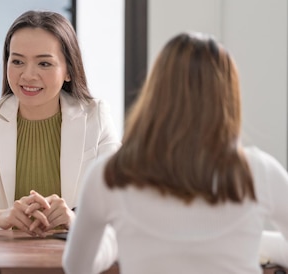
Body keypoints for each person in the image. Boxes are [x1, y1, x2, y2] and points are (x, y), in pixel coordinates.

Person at [63, 32, 288, 273]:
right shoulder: (259, 172)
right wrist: (251, 240)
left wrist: (118, 238)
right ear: (227, 97)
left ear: (156, 91)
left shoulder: (109, 175)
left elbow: (77, 267)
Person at [0, 10, 119, 272]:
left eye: (44, 63)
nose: (28, 75)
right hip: (4, 265)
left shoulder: (96, 118)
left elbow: (120, 208)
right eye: (17, 61)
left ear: (68, 70)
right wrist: (2, 216)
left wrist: (74, 219)